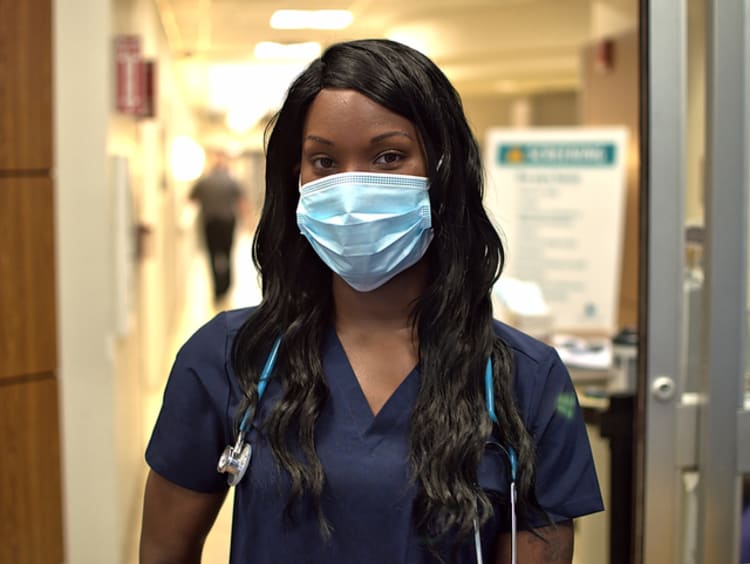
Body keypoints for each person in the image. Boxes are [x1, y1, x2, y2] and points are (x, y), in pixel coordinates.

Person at [140, 39, 603, 564]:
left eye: (389, 156)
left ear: (443, 172)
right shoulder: (226, 357)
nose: (353, 188)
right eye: (324, 160)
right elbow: (163, 548)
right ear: (297, 180)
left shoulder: (525, 380)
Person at [189, 150, 245, 304]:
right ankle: (226, 287)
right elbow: (241, 202)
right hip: (227, 223)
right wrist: (247, 222)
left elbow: (191, 199)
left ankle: (217, 291)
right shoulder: (231, 181)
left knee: (213, 255)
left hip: (210, 223)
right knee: (227, 254)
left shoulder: (204, 181)